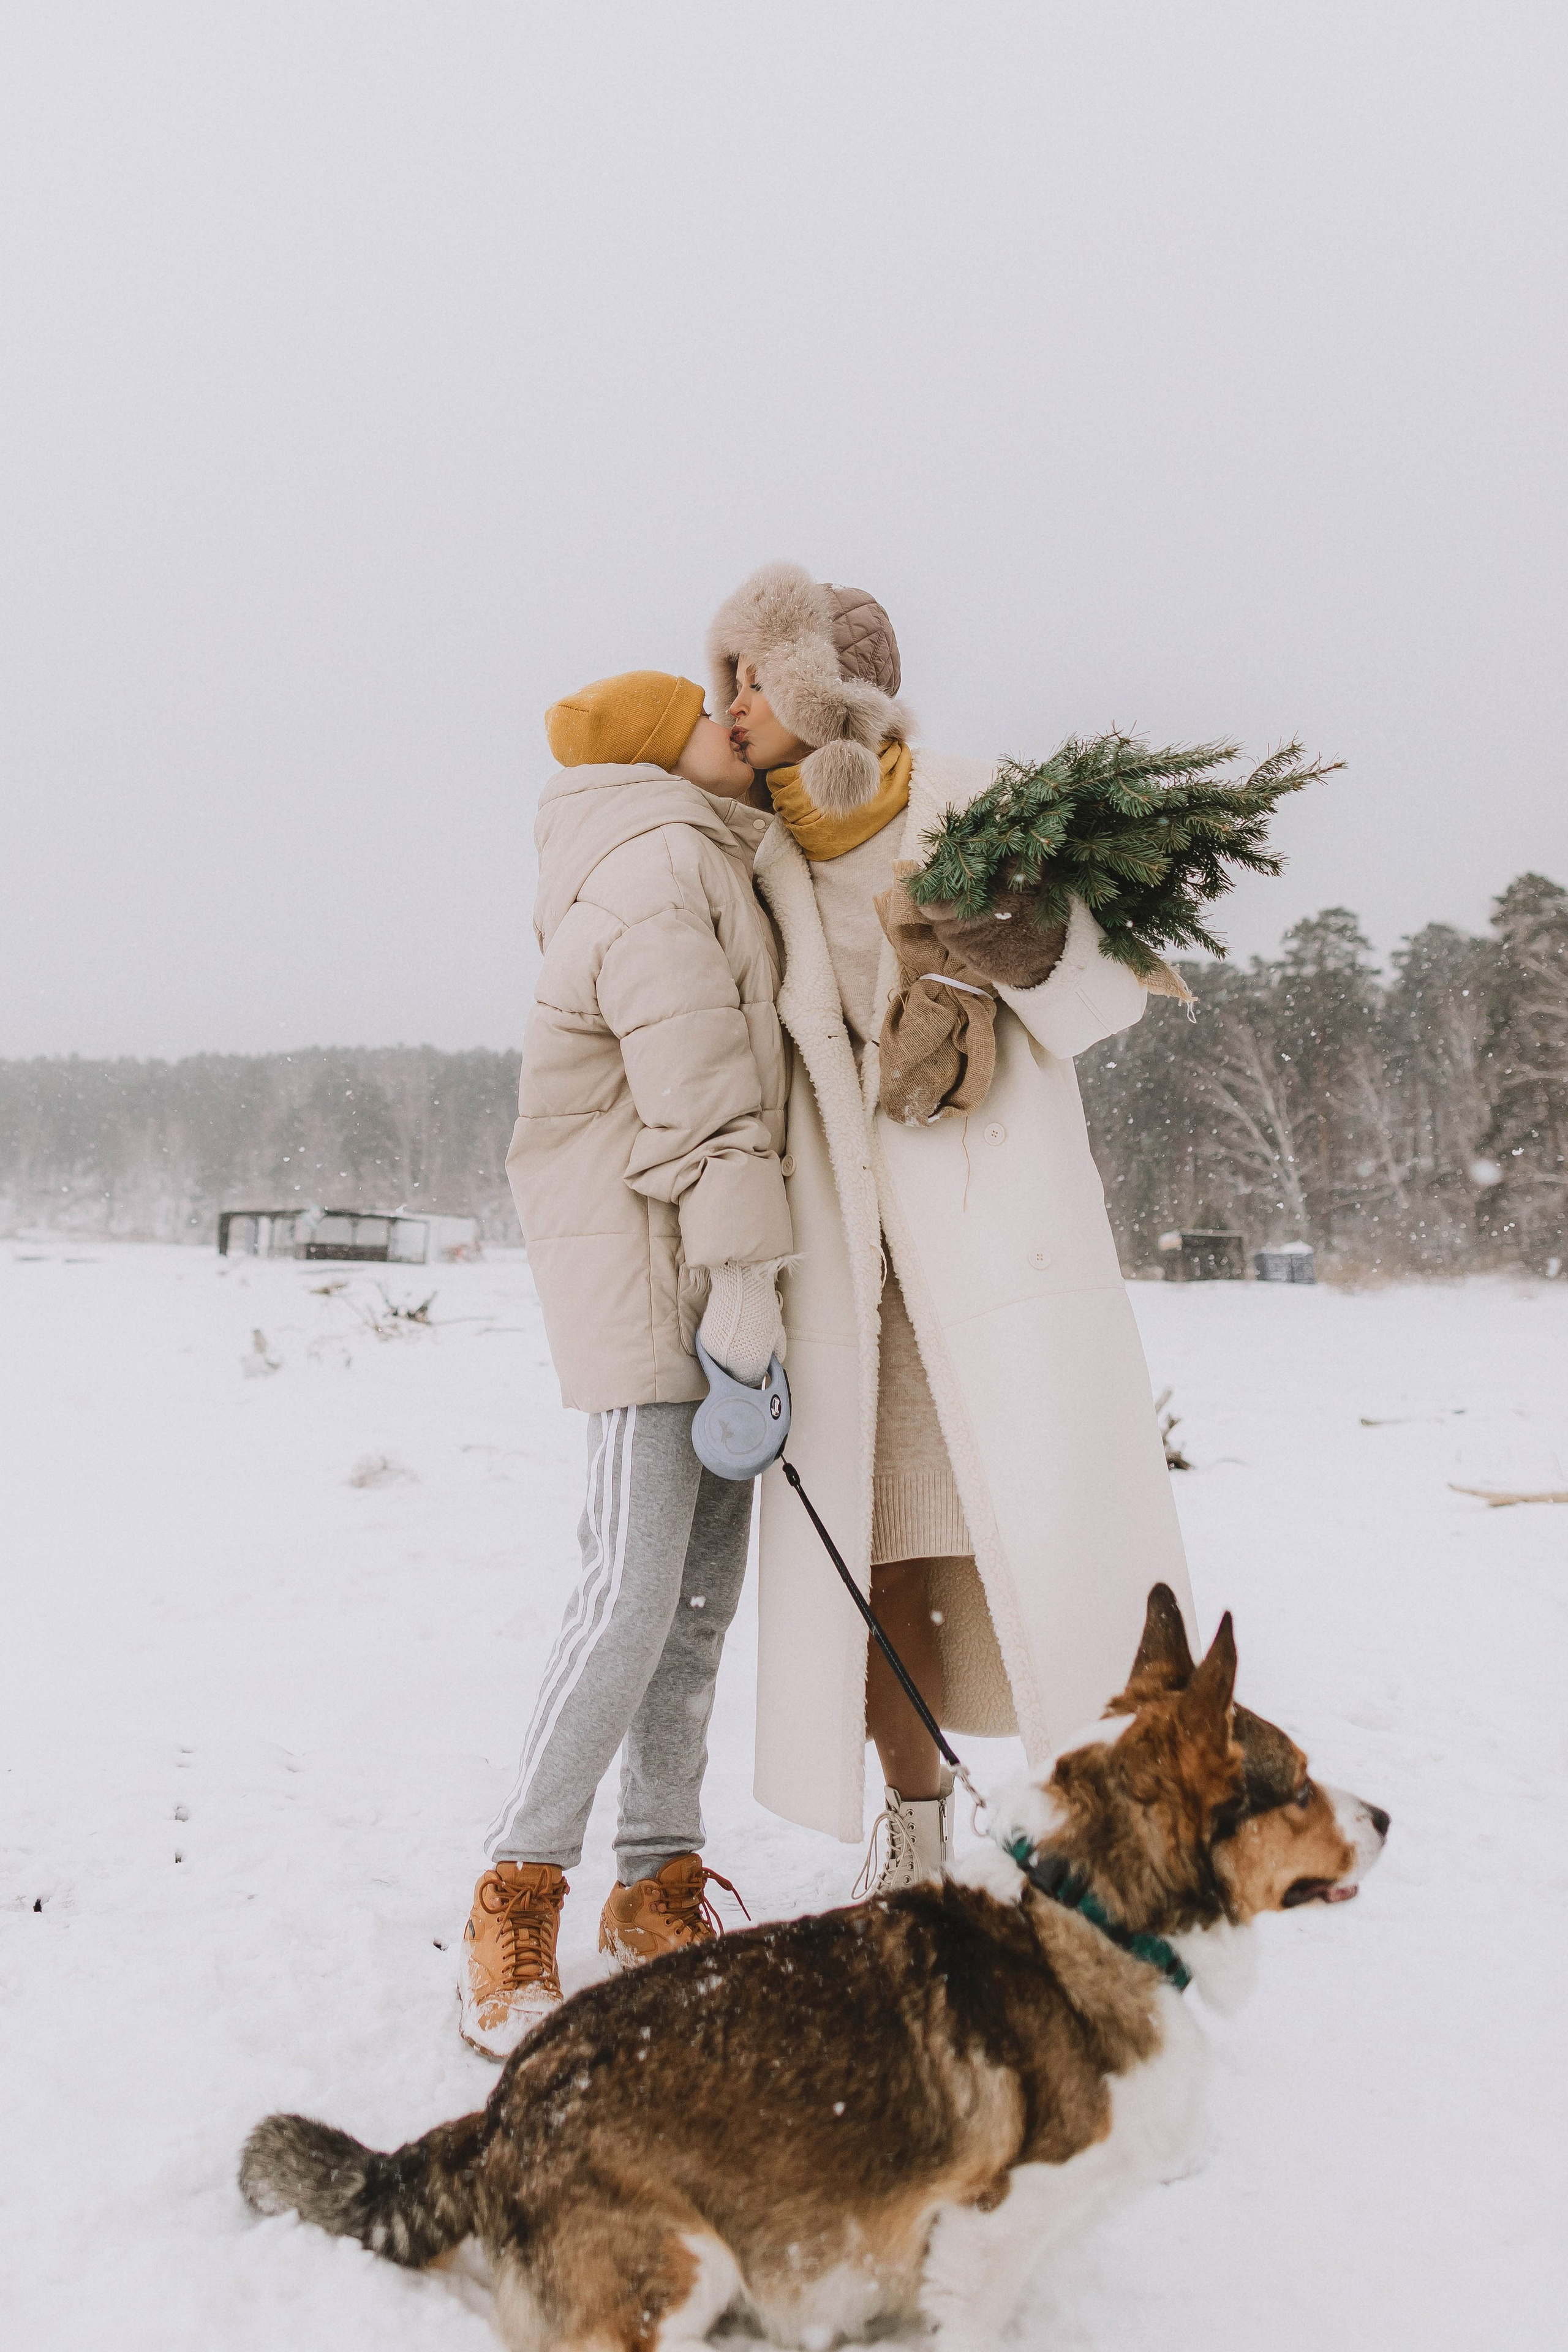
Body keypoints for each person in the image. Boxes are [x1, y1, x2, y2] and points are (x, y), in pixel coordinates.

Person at [706, 563, 1197, 1892]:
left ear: (822, 686)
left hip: (995, 1242)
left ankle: (1117, 1836)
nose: (733, 704)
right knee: (878, 1561)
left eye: (757, 674)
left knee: (1047, 1541)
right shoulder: (751, 851)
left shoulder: (973, 797)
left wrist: (1017, 950)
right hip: (851, 1266)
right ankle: (913, 1838)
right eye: (728, 678)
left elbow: (1115, 986)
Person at [459, 671, 791, 2059]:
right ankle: (515, 1888)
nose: (737, 728)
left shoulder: (693, 856)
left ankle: (655, 1886)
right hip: (659, 1292)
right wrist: (741, 1290)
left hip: (703, 1282)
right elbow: (706, 1105)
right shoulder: (654, 871)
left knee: (693, 1609)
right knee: (630, 1595)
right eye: (711, 720)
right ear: (663, 754)